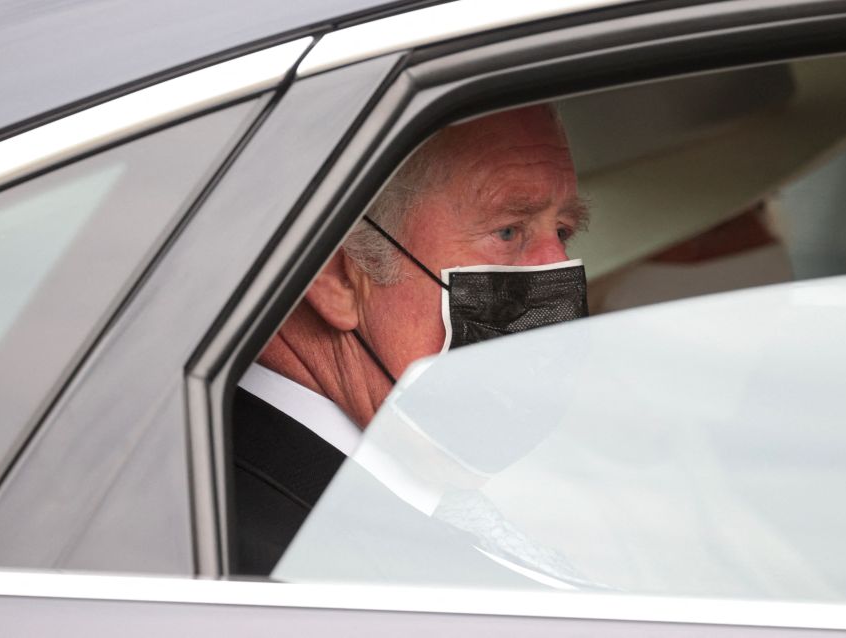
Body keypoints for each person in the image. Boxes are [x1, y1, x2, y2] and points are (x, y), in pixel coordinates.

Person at [232, 104, 590, 574]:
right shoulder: (262, 555)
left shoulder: (425, 490)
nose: (557, 275)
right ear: (335, 274)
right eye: (508, 230)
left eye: (563, 231)